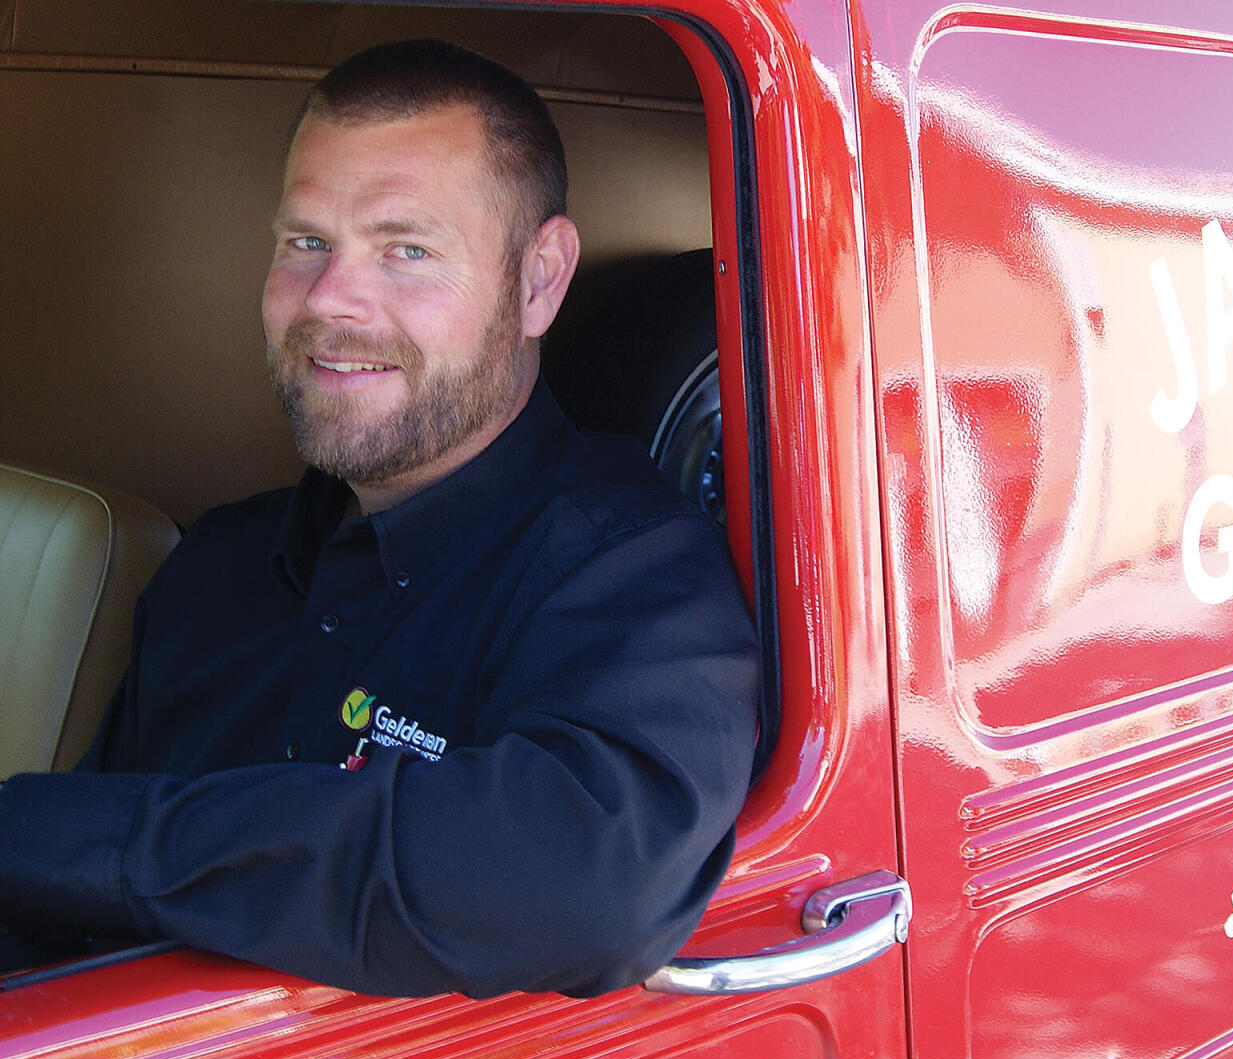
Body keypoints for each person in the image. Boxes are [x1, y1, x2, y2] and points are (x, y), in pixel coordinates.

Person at [0, 39, 760, 1000]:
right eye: (305, 242)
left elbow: (588, 881)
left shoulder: (636, 578)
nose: (329, 301)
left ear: (539, 280)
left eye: (407, 250)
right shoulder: (214, 570)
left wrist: (94, 841)